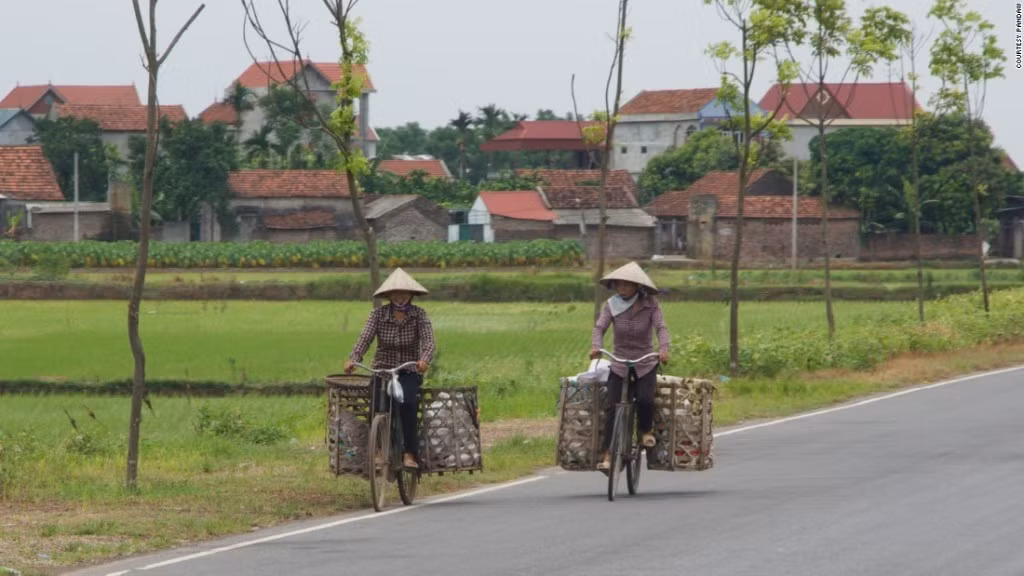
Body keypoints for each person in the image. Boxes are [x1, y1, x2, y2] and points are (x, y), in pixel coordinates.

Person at [344, 268, 436, 469]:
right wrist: (353, 359)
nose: (400, 296)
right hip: (382, 369)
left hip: (408, 369)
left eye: (404, 293)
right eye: (395, 293)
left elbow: (429, 341)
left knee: (408, 406)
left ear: (411, 295)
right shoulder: (378, 315)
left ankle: (409, 454)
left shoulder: (419, 315)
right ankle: (377, 450)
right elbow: (365, 338)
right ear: (388, 295)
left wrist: (424, 360)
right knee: (376, 405)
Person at [589, 262, 670, 471]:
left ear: (637, 286)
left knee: (645, 399)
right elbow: (600, 327)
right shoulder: (611, 305)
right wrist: (596, 346)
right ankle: (607, 455)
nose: (622, 288)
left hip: (645, 361)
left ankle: (645, 431)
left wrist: (663, 349)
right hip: (620, 361)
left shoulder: (650, 304)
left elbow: (661, 327)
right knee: (611, 407)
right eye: (619, 284)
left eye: (626, 284)